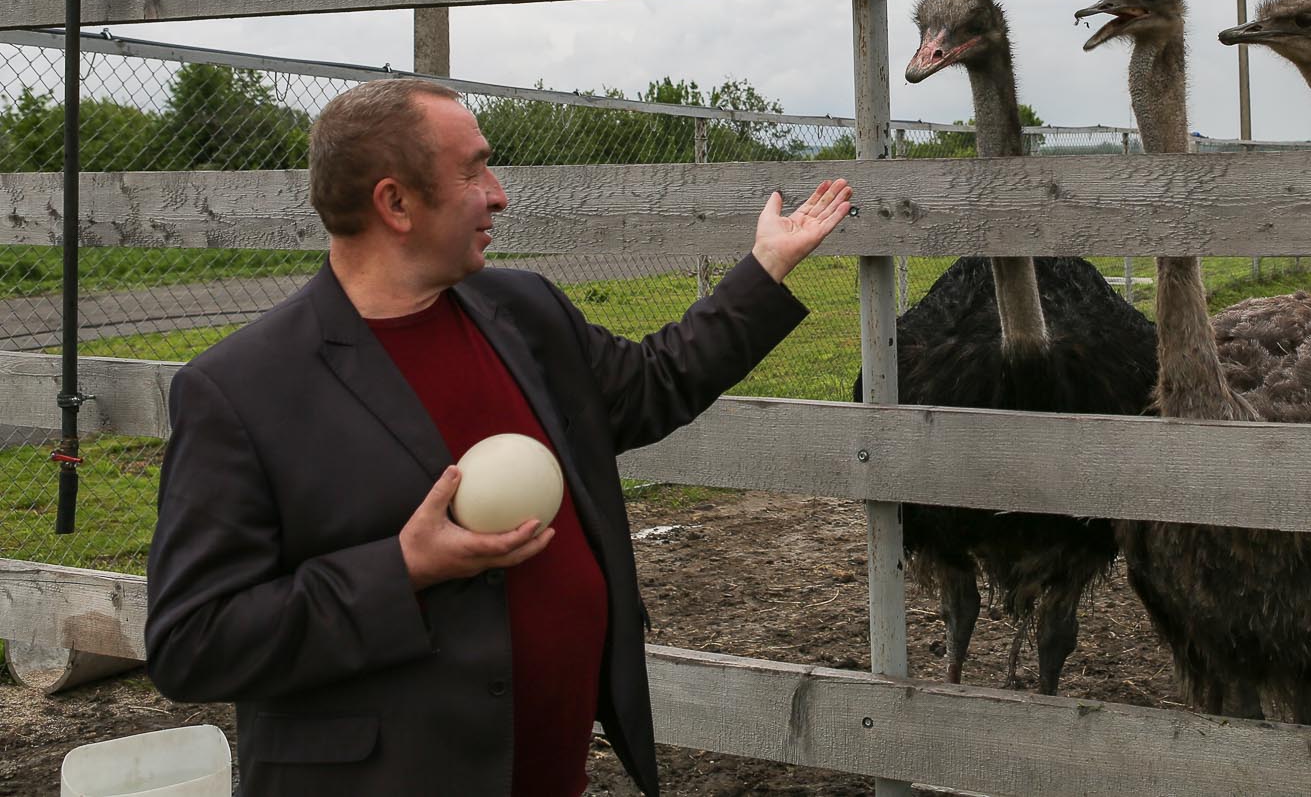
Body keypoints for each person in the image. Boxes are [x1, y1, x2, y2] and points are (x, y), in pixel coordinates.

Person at [144, 77, 852, 796]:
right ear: (395, 202)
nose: (499, 192)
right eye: (473, 169)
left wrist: (766, 268)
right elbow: (191, 640)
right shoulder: (244, 388)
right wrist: (401, 568)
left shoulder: (523, 310)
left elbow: (651, 384)